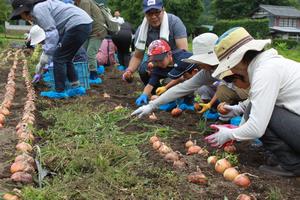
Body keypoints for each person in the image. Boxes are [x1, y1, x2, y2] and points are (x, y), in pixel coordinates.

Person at [206, 27, 300, 177]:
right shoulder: (269, 65)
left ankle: (293, 165)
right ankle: (286, 157)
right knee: (255, 109)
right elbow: (258, 99)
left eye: (231, 66)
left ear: (240, 61)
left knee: (264, 115)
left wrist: (230, 134)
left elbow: (257, 128)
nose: (233, 70)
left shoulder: (265, 71)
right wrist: (237, 109)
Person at [131, 33, 246, 118]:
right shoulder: (207, 72)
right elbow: (182, 88)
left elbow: (256, 94)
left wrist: (241, 114)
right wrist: (152, 105)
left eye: (201, 61)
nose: (198, 64)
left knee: (224, 90)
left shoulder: (236, 68)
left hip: (249, 99)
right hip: (241, 102)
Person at [10, 0, 92, 99]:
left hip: (77, 24)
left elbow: (52, 33)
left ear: (23, 11)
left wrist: (46, 54)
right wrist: (41, 64)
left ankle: (59, 92)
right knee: (66, 57)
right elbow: (54, 35)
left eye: (20, 15)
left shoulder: (38, 9)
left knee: (58, 57)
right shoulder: (38, 11)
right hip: (82, 24)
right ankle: (76, 87)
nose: (22, 18)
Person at [122, 0, 188, 84]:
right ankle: (153, 94)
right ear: (145, 14)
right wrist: (129, 71)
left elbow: (184, 53)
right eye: (149, 13)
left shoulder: (174, 23)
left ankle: (179, 92)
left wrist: (164, 63)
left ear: (163, 10)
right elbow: (138, 56)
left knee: (169, 81)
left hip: (175, 62)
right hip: (156, 62)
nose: (153, 16)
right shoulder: (142, 30)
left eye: (157, 12)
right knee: (143, 70)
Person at [74, 0, 107, 84]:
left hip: (97, 31)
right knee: (84, 51)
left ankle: (94, 75)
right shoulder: (77, 3)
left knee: (90, 53)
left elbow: (85, 18)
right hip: (89, 31)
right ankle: (96, 68)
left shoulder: (84, 2)